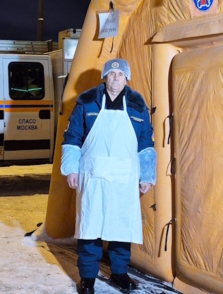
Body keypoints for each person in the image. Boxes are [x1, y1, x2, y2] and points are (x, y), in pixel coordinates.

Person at [61, 58, 157, 294]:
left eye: (120, 75)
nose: (116, 78)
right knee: (90, 229)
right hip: (92, 176)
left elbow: (145, 143)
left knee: (121, 228)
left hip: (124, 178)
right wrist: (71, 168)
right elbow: (73, 136)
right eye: (111, 74)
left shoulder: (137, 106)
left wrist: (146, 176)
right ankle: (88, 278)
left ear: (127, 78)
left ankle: (119, 274)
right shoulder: (86, 102)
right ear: (105, 77)